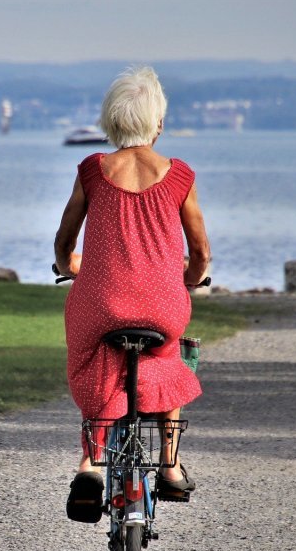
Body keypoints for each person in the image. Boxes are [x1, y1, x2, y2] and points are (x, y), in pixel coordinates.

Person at [54, 66, 211, 522]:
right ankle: (170, 464)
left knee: (96, 357)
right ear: (157, 123)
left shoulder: (92, 170)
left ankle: (91, 465)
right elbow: (200, 250)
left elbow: (65, 243)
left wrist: (70, 268)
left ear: (110, 122)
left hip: (100, 303)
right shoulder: (179, 175)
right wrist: (192, 277)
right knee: (167, 359)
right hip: (162, 306)